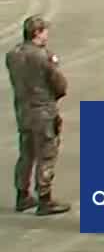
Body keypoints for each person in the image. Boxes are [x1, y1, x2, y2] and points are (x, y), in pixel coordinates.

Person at [7, 15, 70, 215]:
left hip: (23, 109)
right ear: (37, 33)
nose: (47, 35)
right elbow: (58, 83)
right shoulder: (43, 56)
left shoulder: (13, 54)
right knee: (47, 153)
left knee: (26, 153)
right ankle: (45, 198)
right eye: (44, 31)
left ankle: (22, 194)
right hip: (43, 109)